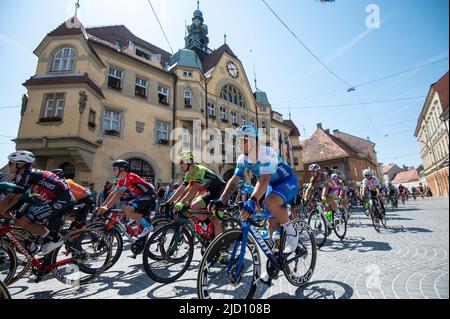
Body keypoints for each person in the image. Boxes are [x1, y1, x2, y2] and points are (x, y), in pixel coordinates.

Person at [209, 125, 300, 254]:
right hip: (272, 186)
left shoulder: (267, 153)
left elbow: (264, 179)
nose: (239, 143)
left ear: (254, 141)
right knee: (272, 223)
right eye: (238, 140)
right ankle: (277, 256)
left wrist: (252, 200)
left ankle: (292, 233)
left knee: (270, 202)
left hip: (287, 181)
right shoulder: (242, 159)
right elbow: (234, 180)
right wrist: (221, 200)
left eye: (243, 140)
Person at [0, 151, 74, 255]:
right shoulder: (28, 174)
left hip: (61, 201)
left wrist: (3, 210)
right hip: (58, 199)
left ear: (20, 165)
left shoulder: (28, 175)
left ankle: (55, 239)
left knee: (24, 221)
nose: (9, 165)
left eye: (10, 163)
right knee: (21, 221)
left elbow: (14, 197)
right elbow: (14, 197)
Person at [162, 151, 227, 237]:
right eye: (179, 162)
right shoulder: (189, 174)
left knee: (216, 221)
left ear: (190, 162)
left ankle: (218, 245)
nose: (180, 165)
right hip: (211, 192)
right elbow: (181, 189)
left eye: (182, 162)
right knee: (194, 207)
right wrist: (169, 202)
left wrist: (182, 202)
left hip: (221, 191)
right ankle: (209, 224)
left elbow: (195, 188)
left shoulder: (200, 170)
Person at [98, 160, 156, 239]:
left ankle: (147, 226)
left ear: (122, 169)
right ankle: (138, 232)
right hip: (140, 198)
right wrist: (102, 206)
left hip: (148, 196)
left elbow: (118, 194)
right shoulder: (121, 181)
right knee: (127, 208)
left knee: (128, 209)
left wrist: (107, 207)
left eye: (115, 168)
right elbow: (112, 193)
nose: (113, 170)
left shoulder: (129, 177)